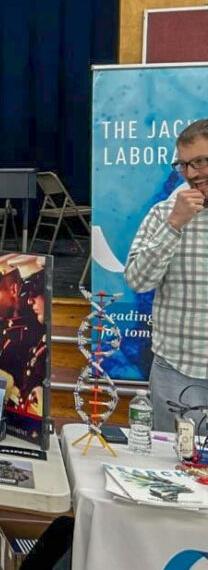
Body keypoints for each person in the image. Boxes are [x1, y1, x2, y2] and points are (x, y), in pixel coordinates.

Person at [125, 118, 208, 430]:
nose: (192, 174)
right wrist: (174, 224)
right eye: (184, 165)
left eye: (200, 161)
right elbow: (137, 279)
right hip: (177, 372)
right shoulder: (164, 213)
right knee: (172, 472)